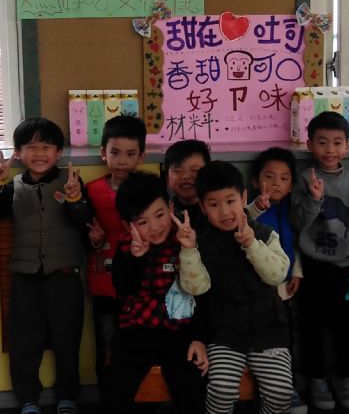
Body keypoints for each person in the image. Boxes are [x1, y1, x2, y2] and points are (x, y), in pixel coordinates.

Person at [0, 117, 91, 414]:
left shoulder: (70, 181)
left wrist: (75, 199)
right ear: (18, 153)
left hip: (65, 275)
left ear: (59, 152)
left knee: (67, 339)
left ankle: (68, 396)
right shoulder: (12, 185)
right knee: (24, 341)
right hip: (25, 276)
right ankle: (28, 399)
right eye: (31, 147)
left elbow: (84, 220)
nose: (39, 153)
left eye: (47, 147)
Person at [179, 160, 294, 414]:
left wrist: (252, 245)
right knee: (221, 390)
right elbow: (196, 288)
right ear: (202, 207)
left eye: (230, 201)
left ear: (243, 197)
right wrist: (188, 250)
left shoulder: (265, 234)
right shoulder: (201, 242)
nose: (224, 212)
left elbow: (276, 276)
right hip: (225, 335)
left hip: (269, 332)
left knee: (281, 393)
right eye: (214, 204)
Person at [103, 171, 208, 413]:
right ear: (128, 226)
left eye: (160, 215)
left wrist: (200, 338)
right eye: (142, 222)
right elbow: (123, 289)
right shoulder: (126, 246)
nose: (154, 227)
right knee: (116, 387)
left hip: (180, 330)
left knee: (191, 388)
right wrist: (135, 258)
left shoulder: (186, 237)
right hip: (138, 328)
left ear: (170, 207)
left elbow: (202, 294)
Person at [289, 111, 349, 410]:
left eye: (337, 142)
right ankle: (317, 379)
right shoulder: (304, 178)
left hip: (348, 266)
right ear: (309, 145)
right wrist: (314, 198)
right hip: (314, 266)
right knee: (313, 324)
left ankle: (346, 378)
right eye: (322, 142)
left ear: (347, 146)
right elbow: (297, 222)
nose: (330, 149)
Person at [85, 115, 147, 385]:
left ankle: (140, 399)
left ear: (141, 156)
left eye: (130, 154)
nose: (122, 161)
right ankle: (108, 398)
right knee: (107, 346)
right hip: (104, 285)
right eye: (115, 153)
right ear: (103, 153)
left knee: (138, 347)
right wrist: (94, 238)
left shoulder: (148, 191)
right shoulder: (92, 191)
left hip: (141, 287)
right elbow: (82, 233)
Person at [247, 147, 307, 414]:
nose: (276, 183)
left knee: (287, 337)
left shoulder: (291, 209)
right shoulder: (254, 208)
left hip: (285, 288)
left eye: (284, 178)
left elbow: (296, 244)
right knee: (263, 341)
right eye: (269, 177)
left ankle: (287, 386)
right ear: (255, 181)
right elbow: (244, 219)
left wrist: (297, 272)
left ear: (291, 184)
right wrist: (257, 206)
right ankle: (262, 388)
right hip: (260, 289)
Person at [163, 139, 211, 233]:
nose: (186, 176)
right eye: (177, 171)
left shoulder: (218, 210)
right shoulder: (162, 214)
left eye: (195, 170)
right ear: (167, 179)